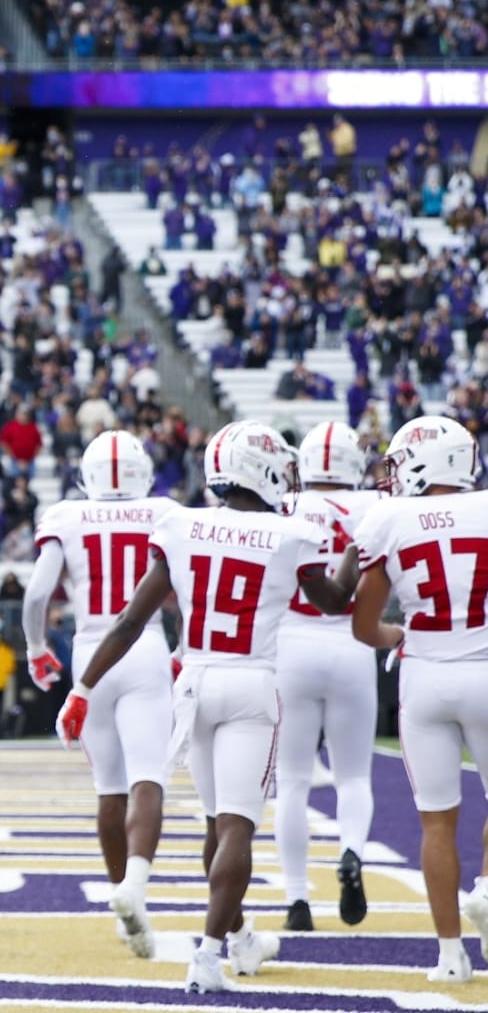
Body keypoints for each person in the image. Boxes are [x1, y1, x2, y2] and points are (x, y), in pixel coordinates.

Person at [59, 421, 355, 994]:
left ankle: (239, 940)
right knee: (238, 828)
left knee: (214, 825)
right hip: (250, 683)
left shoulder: (181, 523)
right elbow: (334, 599)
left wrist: (83, 689)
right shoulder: (290, 534)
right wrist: (354, 556)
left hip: (193, 682)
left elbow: (129, 621)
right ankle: (210, 953)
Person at [23, 430, 179, 959]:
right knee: (148, 777)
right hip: (146, 646)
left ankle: (123, 898)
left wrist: (36, 646)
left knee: (108, 788)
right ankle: (134, 884)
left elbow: (39, 592)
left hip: (91, 649)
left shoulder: (67, 515)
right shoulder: (165, 512)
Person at [350, 415, 488, 984]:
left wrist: (396, 637)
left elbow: (363, 623)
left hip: (425, 675)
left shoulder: (390, 518)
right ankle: (485, 889)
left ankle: (450, 956)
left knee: (436, 822)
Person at [275, 421, 380, 932]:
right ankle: (352, 852)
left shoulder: (283, 507)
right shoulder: (377, 509)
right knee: (353, 775)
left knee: (292, 781)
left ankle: (297, 900)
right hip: (354, 643)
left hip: (291, 644)